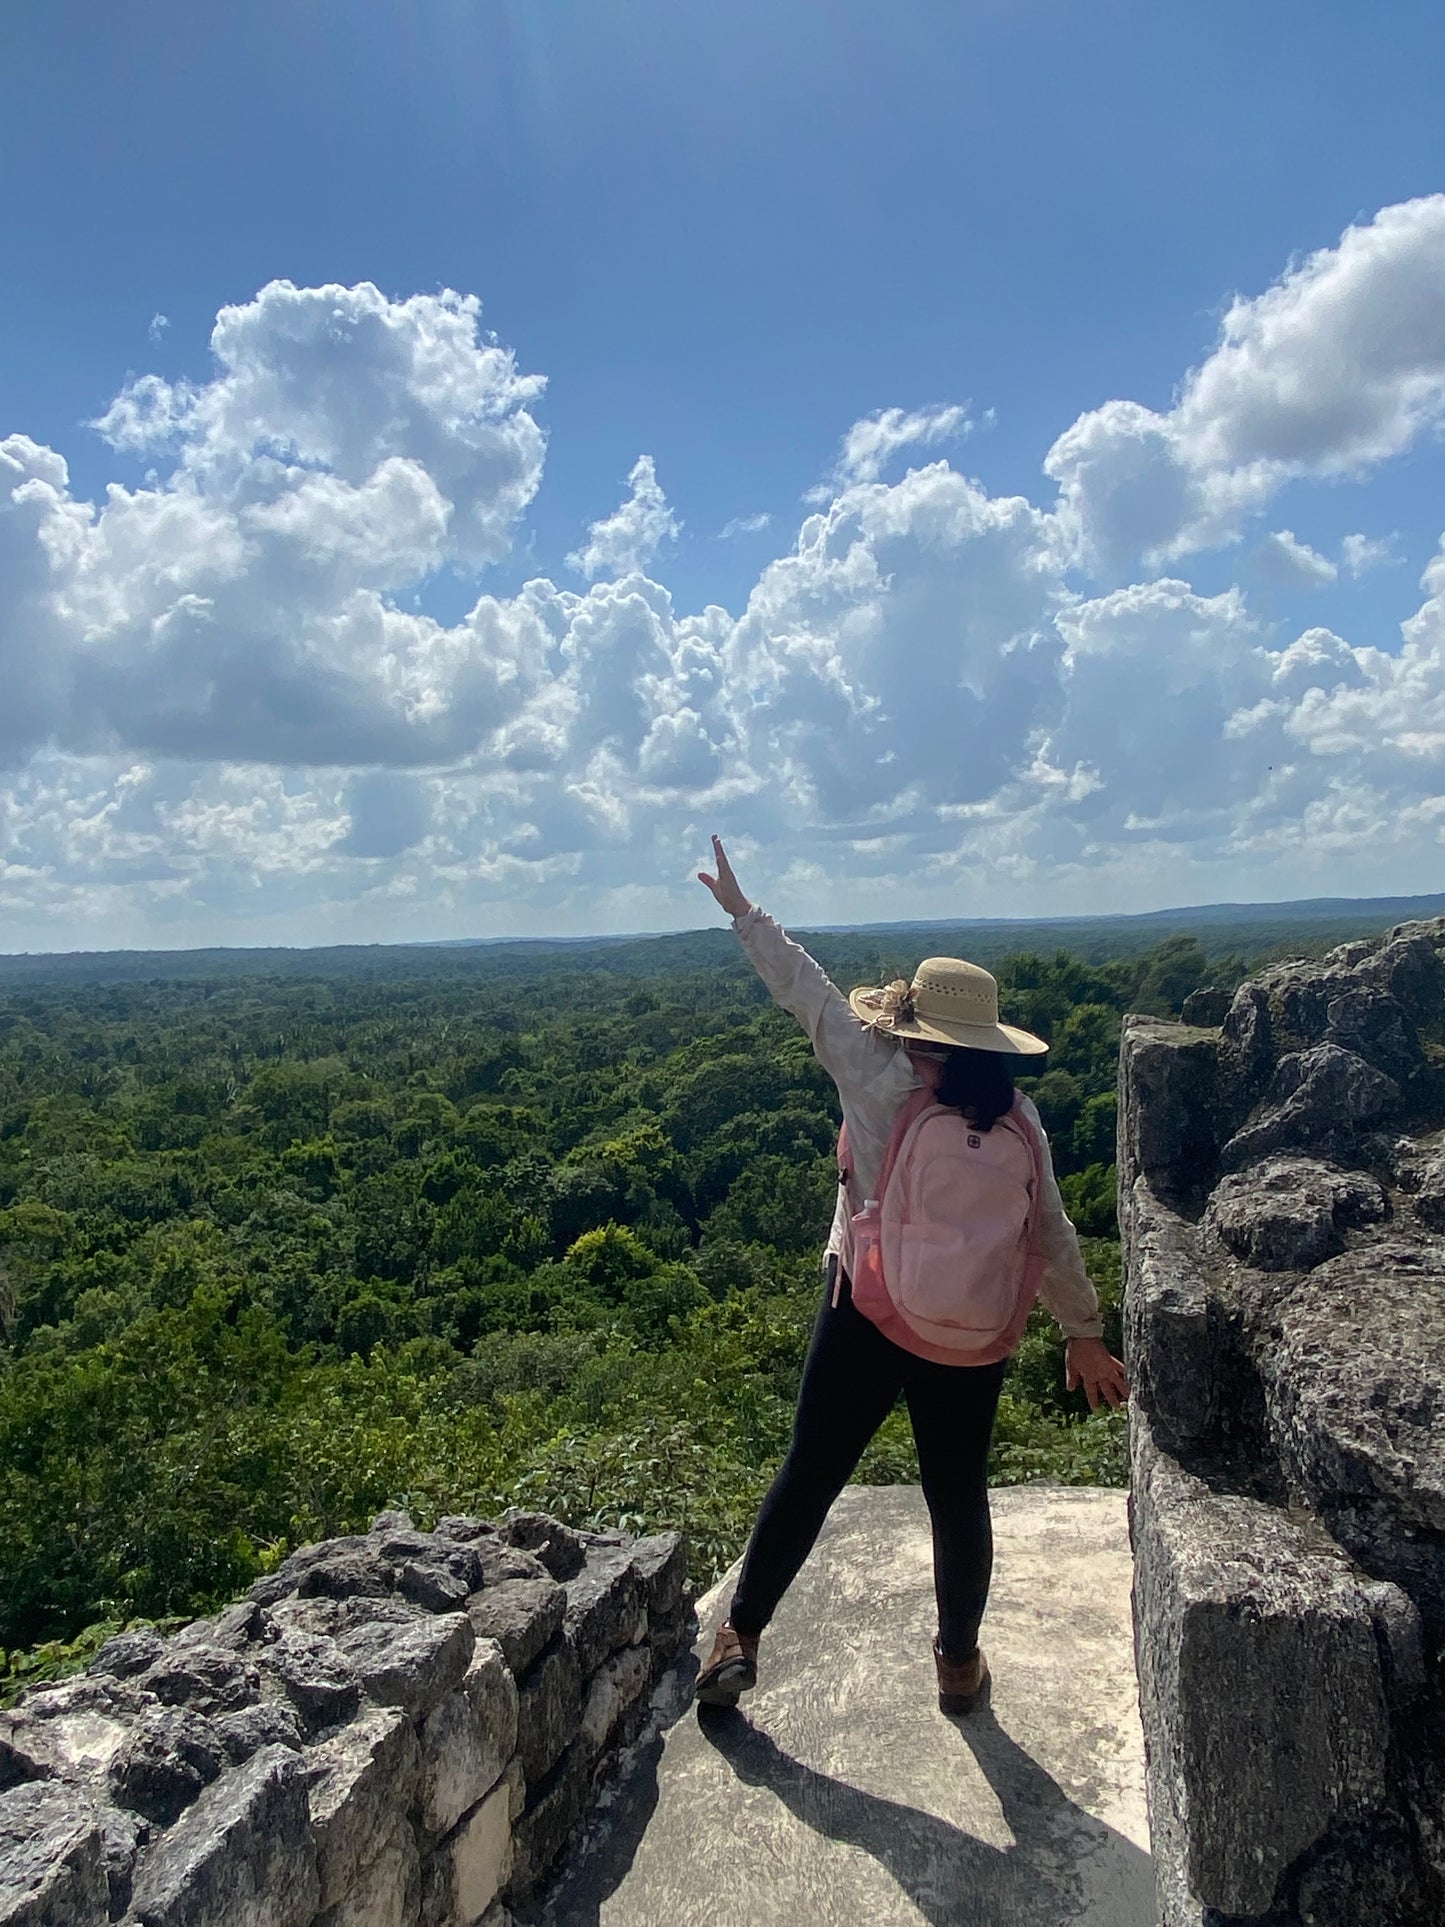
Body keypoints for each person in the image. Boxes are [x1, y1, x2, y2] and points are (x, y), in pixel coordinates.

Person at [692, 836, 1129, 1715]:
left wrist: (745, 913)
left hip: (866, 1306)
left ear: (917, 1022)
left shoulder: (880, 1076)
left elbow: (806, 994)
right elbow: (1049, 1230)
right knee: (957, 1496)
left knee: (811, 1469)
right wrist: (1082, 1332)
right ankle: (957, 1663)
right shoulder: (1020, 1117)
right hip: (970, 1334)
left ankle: (739, 1635)